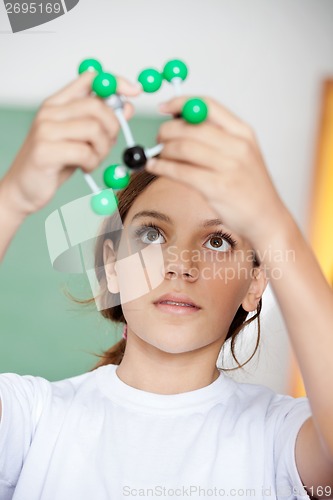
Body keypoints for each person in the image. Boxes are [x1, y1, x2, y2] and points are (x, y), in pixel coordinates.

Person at [0, 70, 332, 500]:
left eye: (217, 241)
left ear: (255, 283)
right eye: (153, 234)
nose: (181, 266)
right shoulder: (31, 420)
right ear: (112, 269)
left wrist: (273, 223)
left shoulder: (281, 440)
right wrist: (13, 198)